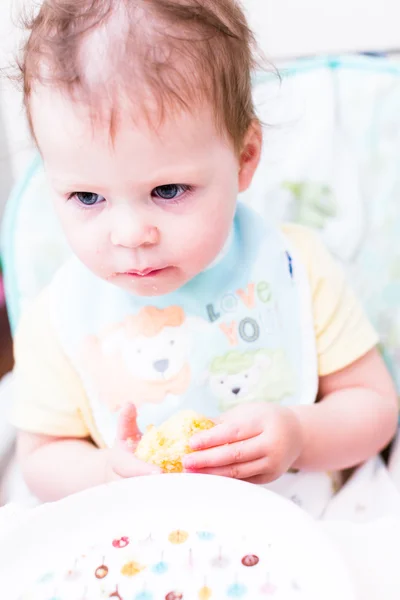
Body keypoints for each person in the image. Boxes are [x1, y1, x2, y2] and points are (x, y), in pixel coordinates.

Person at [11, 0, 397, 512]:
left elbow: (373, 410)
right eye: (87, 198)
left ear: (244, 159)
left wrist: (300, 435)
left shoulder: (293, 267)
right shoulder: (61, 316)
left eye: (168, 190)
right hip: (148, 537)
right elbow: (41, 457)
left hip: (301, 517)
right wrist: (106, 473)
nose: (131, 235)